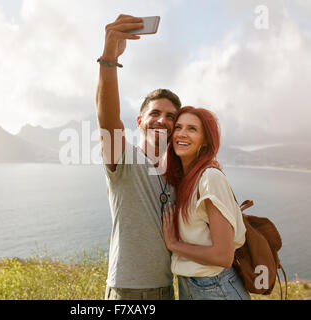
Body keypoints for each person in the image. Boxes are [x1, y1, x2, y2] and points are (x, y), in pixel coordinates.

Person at [96, 14, 182, 300]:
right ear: (140, 121)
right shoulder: (125, 160)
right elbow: (108, 121)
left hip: (167, 290)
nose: (161, 120)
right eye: (154, 113)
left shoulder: (178, 172)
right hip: (126, 292)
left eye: (170, 117)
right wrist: (109, 59)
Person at [162, 106, 251, 300]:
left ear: (205, 141)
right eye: (178, 127)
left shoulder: (210, 178)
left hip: (215, 288)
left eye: (192, 129)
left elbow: (223, 256)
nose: (182, 134)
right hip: (192, 285)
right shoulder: (185, 179)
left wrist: (173, 244)